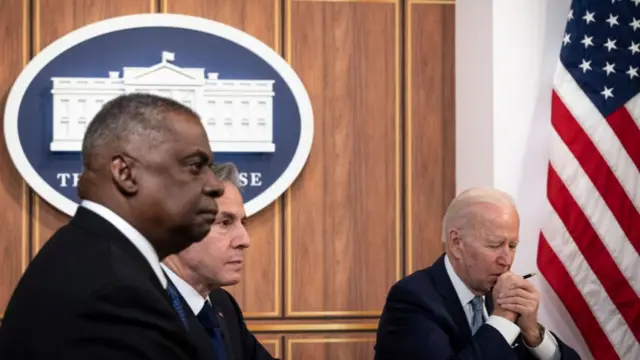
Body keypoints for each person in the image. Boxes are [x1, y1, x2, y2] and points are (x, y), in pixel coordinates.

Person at [0, 93, 225, 360]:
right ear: (125, 174)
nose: (216, 185)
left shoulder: (96, 258)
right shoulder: (114, 293)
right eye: (195, 166)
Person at [374, 187, 581, 360]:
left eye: (512, 245)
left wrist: (533, 333)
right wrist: (503, 319)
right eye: (494, 245)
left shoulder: (496, 294)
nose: (507, 260)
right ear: (456, 243)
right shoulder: (413, 298)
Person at [162, 162, 277, 360]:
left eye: (243, 223)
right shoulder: (136, 313)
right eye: (225, 223)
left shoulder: (222, 304)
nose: (245, 240)